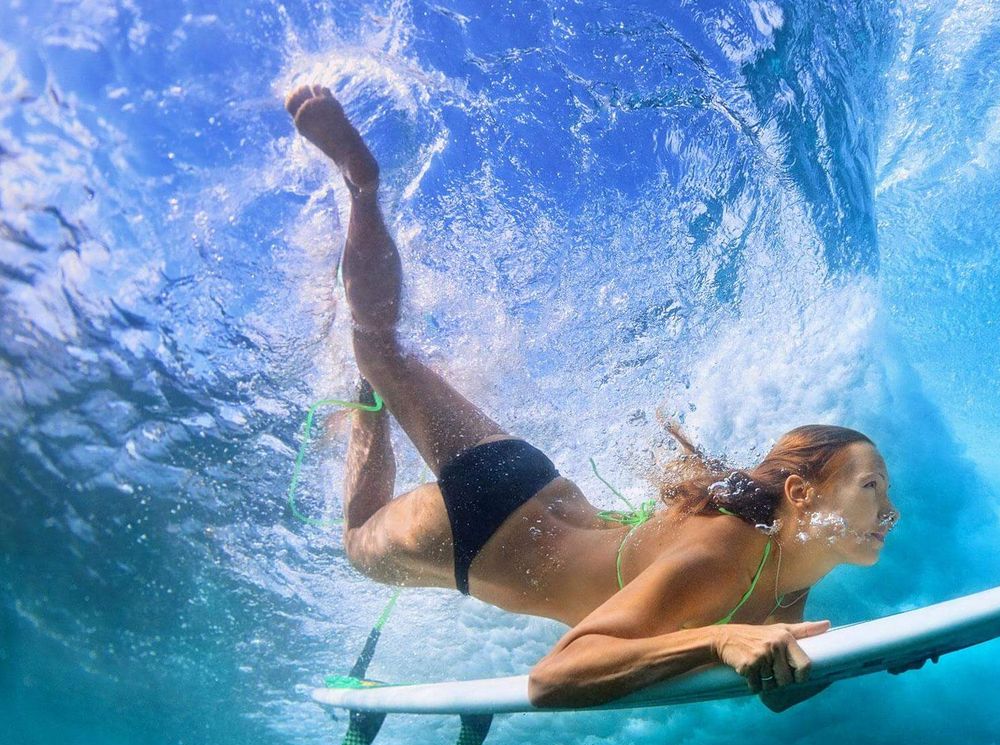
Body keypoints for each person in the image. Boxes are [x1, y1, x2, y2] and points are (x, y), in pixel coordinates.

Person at [285, 85, 899, 712]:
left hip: (530, 479)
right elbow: (555, 677)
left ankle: (363, 207)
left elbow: (777, 694)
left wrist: (889, 653)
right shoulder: (728, 552)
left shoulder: (791, 566)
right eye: (871, 487)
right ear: (802, 494)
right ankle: (368, 382)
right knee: (357, 542)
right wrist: (719, 640)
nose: (891, 511)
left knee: (383, 351)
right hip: (474, 535)